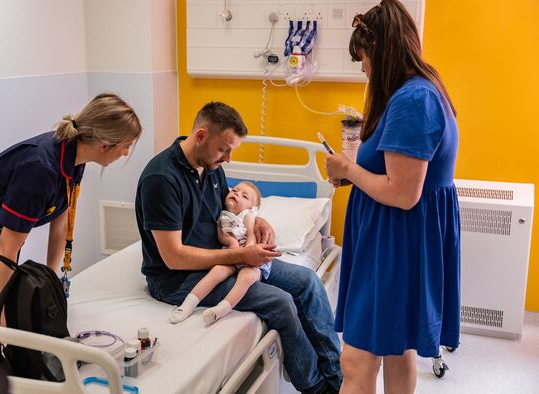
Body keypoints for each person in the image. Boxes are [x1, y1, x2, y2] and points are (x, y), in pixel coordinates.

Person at [136, 101, 343, 394]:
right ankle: (317, 388)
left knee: (308, 282)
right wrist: (241, 255)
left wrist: (257, 222)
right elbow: (173, 258)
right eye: (224, 149)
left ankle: (338, 379)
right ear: (200, 136)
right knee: (281, 302)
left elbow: (229, 214)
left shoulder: (212, 168)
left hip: (225, 261)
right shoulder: (162, 179)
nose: (229, 159)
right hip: (176, 279)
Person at [325, 1, 460, 393]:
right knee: (398, 349)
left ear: (381, 51)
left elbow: (403, 194)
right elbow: (397, 172)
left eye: (363, 57)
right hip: (401, 239)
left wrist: (349, 169)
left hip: (395, 242)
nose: (362, 68)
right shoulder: (418, 90)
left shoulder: (412, 101)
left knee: (356, 360)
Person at [0, 93, 142, 322]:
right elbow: (8, 245)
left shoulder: (74, 158)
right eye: (125, 146)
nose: (126, 153)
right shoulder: (40, 168)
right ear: (104, 144)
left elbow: (60, 225)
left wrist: (51, 278)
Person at [170, 181, 271, 326]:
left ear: (252, 207)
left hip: (252, 256)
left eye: (244, 196)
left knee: (247, 276)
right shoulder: (222, 215)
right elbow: (222, 236)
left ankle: (223, 308)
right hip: (230, 253)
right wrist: (232, 244)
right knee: (217, 271)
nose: (237, 194)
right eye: (235, 190)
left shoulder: (248, 215)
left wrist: (246, 250)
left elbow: (251, 235)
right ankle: (188, 304)